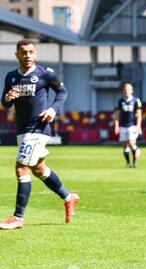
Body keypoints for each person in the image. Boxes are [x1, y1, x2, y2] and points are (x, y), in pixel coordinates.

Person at [0, 39, 80, 230]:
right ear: (17, 55)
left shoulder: (44, 73)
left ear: (35, 54)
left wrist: (53, 109)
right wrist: (7, 98)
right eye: (23, 52)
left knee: (21, 169)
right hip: (22, 129)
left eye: (31, 52)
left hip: (38, 129)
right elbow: (5, 103)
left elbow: (62, 91)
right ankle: (69, 197)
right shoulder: (11, 77)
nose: (27, 55)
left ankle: (18, 217)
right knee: (39, 170)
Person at [114, 82, 142, 168]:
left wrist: (138, 125)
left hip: (132, 125)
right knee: (125, 145)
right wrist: (116, 125)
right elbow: (117, 114)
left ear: (132, 91)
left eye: (128, 90)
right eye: (125, 90)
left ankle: (135, 160)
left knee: (131, 142)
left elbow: (139, 114)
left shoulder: (136, 101)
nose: (126, 91)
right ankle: (128, 163)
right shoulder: (120, 101)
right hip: (123, 125)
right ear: (123, 91)